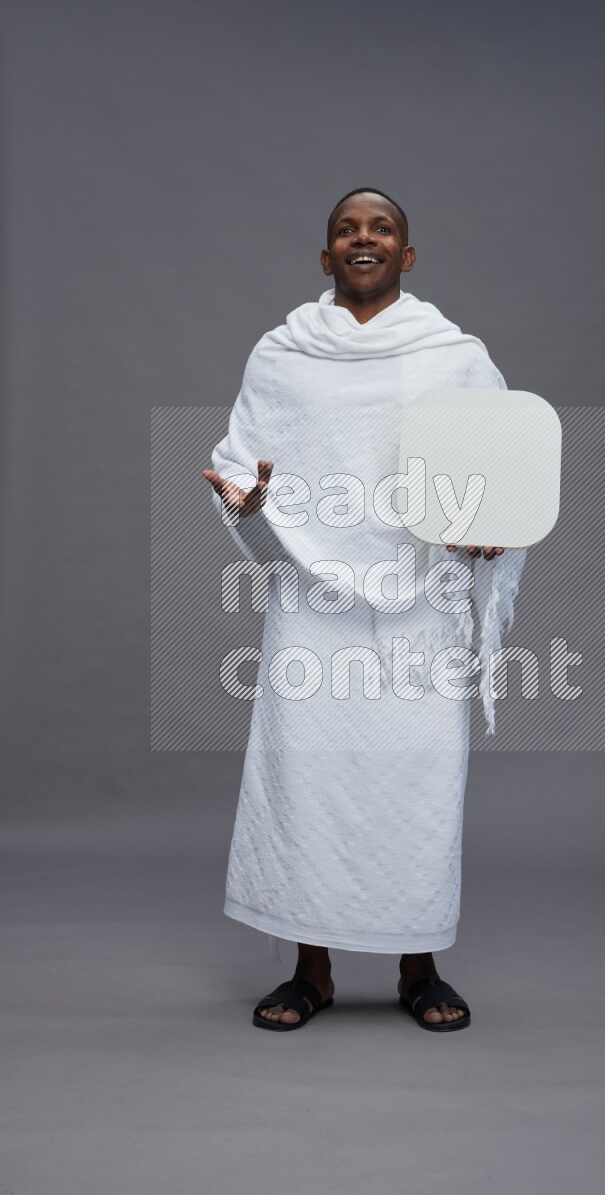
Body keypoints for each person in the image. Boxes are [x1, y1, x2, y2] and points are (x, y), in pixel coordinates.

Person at [202, 188, 526, 1032]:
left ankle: (420, 966)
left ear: (407, 256)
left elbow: (502, 465)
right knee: (307, 779)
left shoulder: (454, 356)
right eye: (347, 228)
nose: (364, 237)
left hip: (424, 606)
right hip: (314, 603)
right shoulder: (279, 356)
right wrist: (249, 500)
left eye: (382, 228)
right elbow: (241, 468)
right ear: (326, 257)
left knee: (416, 782)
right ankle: (310, 973)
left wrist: (493, 529)